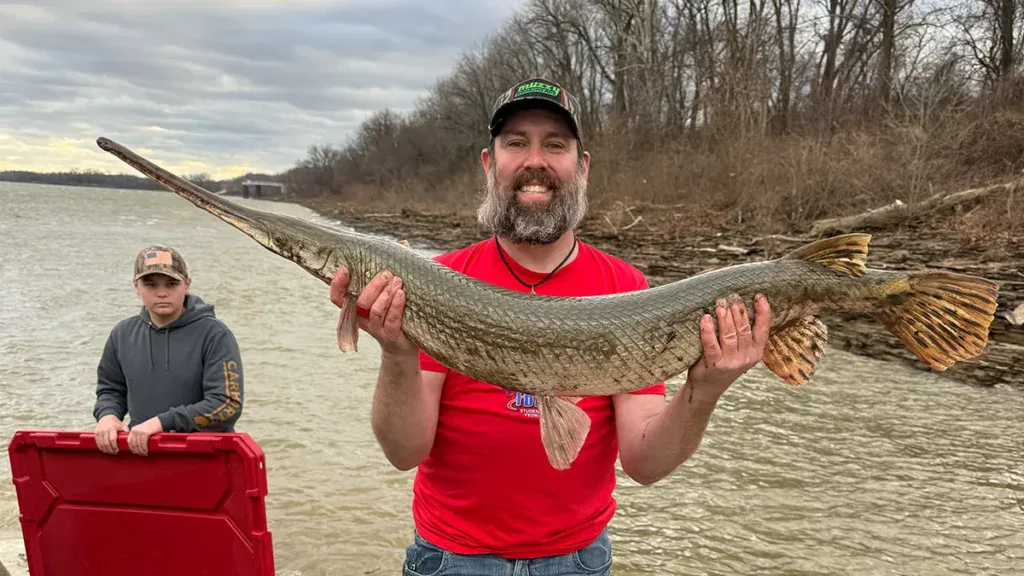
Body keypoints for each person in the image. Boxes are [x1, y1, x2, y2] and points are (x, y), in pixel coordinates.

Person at [329, 77, 772, 574]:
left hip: (577, 562)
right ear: (488, 163)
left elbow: (646, 464)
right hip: (451, 559)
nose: (534, 160)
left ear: (581, 167)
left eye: (554, 144)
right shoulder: (440, 281)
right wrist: (397, 354)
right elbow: (404, 452)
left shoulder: (627, 288)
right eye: (516, 143)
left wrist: (705, 390)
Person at [93, 244, 244, 456]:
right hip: (141, 454)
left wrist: (161, 423)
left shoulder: (216, 335)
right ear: (136, 286)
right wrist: (108, 416)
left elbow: (227, 405)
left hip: (204, 458)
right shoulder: (122, 334)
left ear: (187, 284)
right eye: (150, 284)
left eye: (172, 283)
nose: (162, 293)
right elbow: (110, 390)